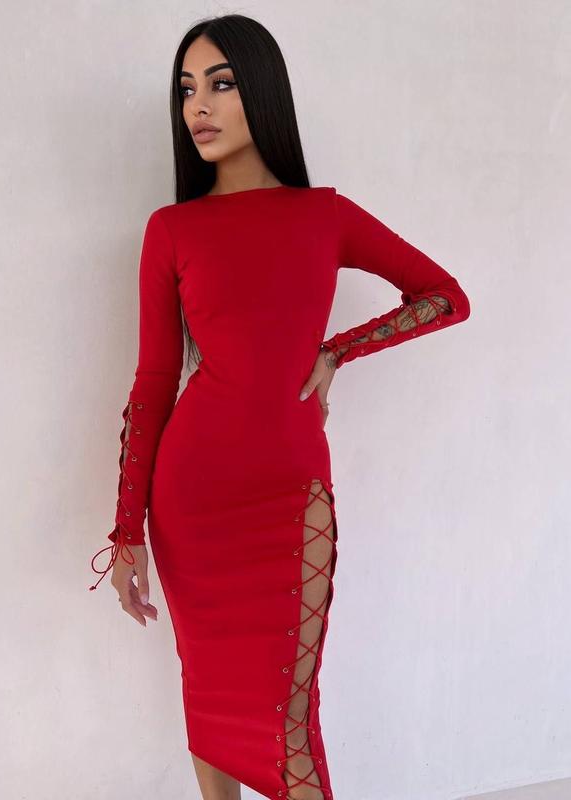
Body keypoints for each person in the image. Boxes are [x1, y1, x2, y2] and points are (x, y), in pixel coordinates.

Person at [88, 13, 471, 800]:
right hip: (192, 498)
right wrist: (126, 534)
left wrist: (336, 351)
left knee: (289, 721)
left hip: (290, 494)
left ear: (260, 90)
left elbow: (442, 296)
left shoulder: (325, 215)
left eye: (220, 84)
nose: (198, 106)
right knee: (207, 694)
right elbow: (152, 385)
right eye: (186, 89)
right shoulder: (172, 230)